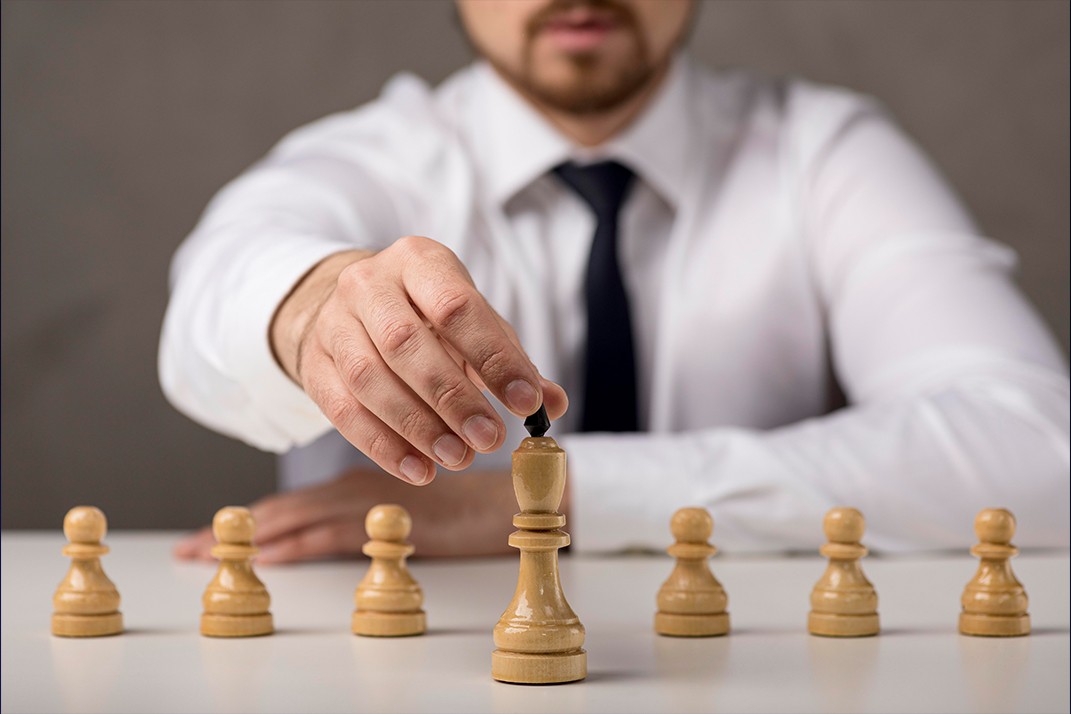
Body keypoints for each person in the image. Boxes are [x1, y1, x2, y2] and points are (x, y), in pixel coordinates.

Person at [161, 0, 1070, 563]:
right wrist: (315, 305)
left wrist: (543, 496)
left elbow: (1037, 446)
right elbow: (217, 296)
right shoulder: (369, 156)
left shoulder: (823, 152)